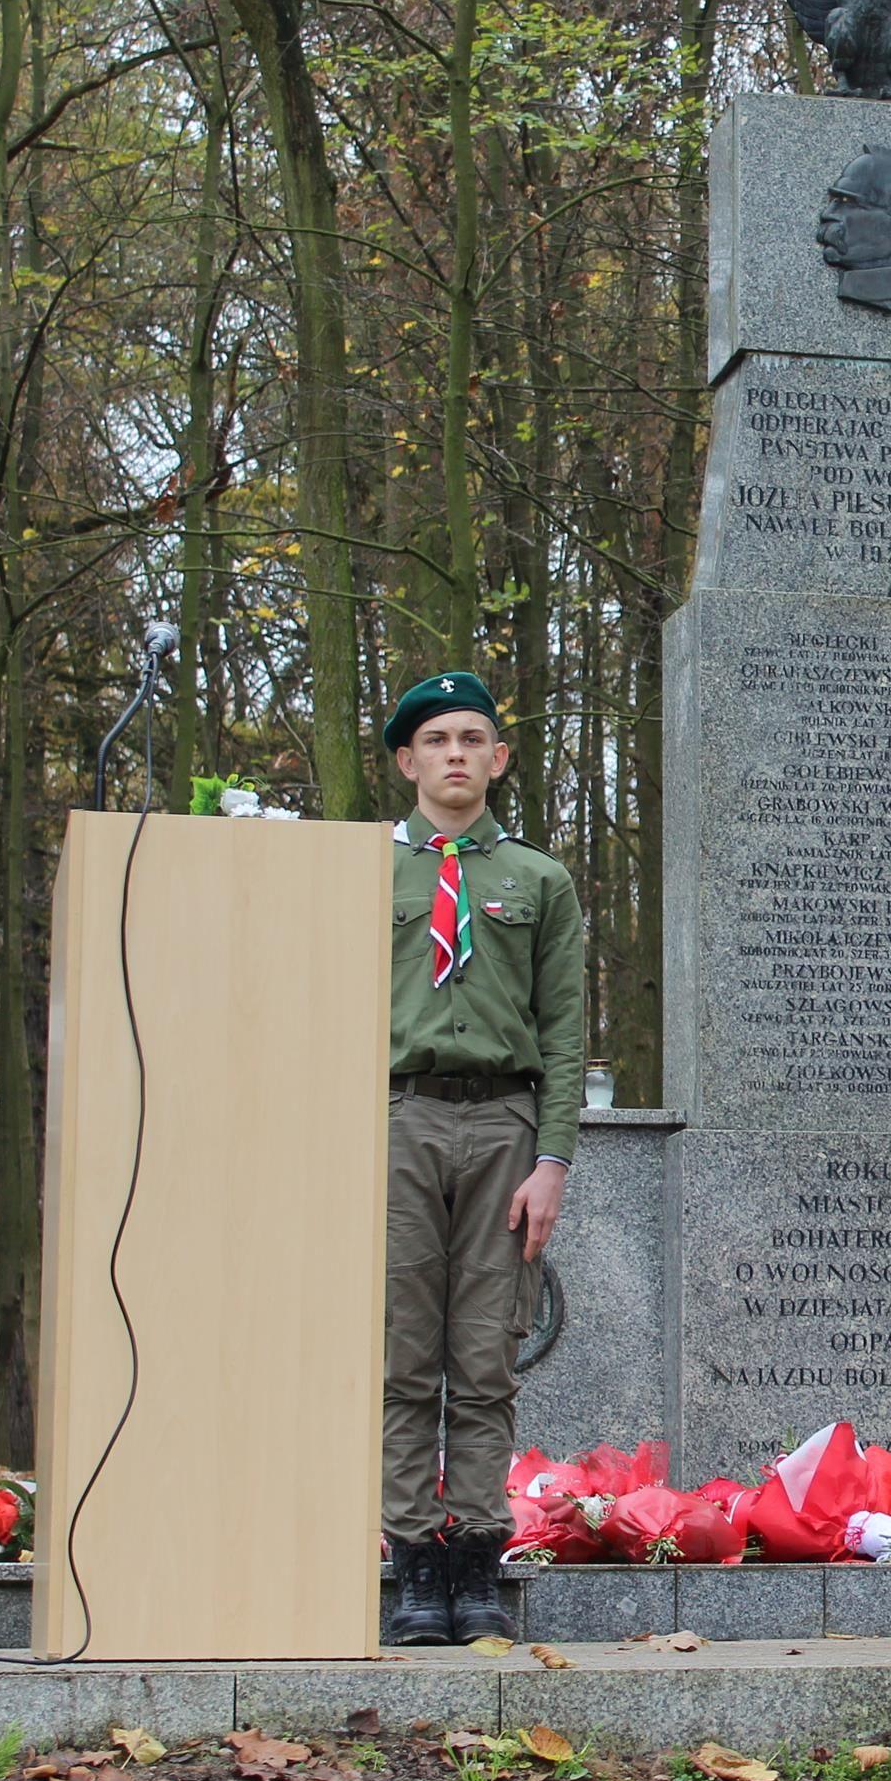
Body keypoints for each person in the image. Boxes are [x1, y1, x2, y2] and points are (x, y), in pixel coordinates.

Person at [380, 672, 585, 1647]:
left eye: (472, 738)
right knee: (403, 1353)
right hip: (398, 1121)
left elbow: (564, 1028)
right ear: (407, 762)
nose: (454, 754)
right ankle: (415, 1561)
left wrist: (552, 1160)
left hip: (501, 1125)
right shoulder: (368, 876)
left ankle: (475, 1561)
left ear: (499, 760)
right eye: (436, 739)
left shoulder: (537, 881)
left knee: (484, 1354)